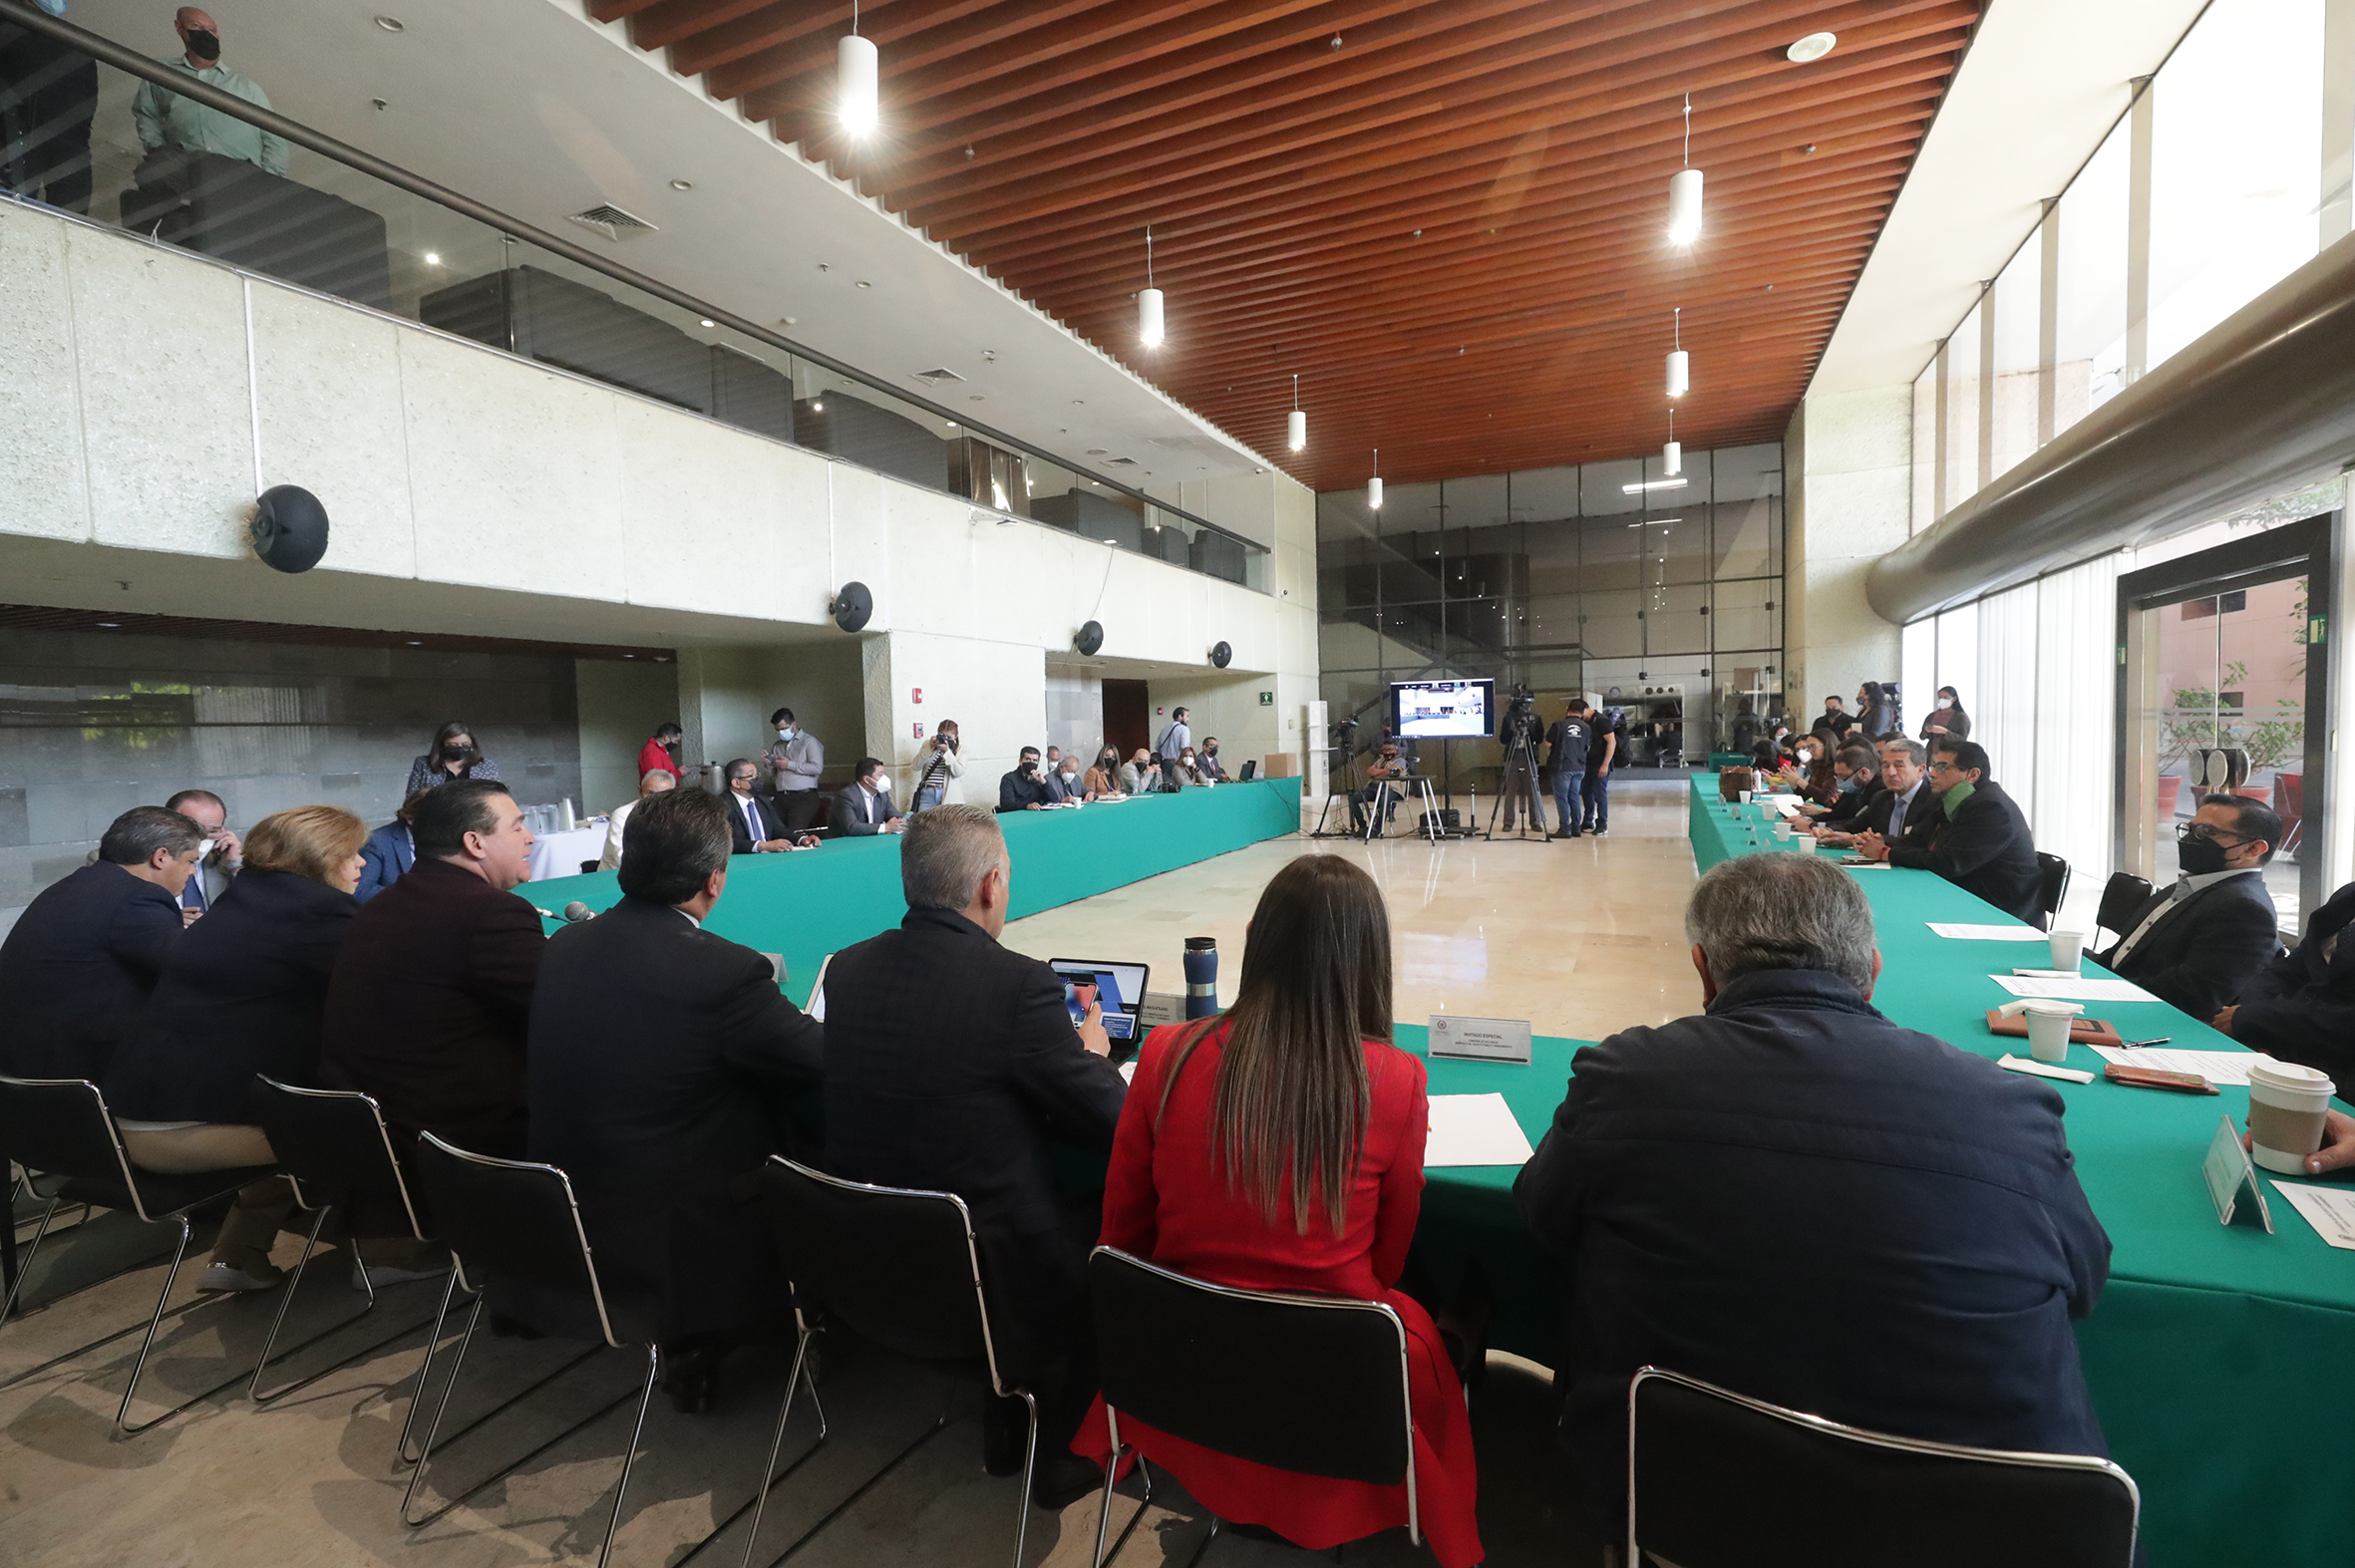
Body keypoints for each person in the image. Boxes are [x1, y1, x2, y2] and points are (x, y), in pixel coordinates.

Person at [1514, 852, 2113, 1532]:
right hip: (1989, 1526)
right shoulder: (2013, 1108)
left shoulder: (1624, 1077)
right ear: (1872, 970)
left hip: (1685, 1501)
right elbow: (2085, 1283)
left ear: (1703, 969)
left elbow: (1544, 1217)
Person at [1075, 856, 1482, 1565]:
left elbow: (1122, 1235)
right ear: (1369, 961)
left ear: (1256, 942)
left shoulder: (1166, 1053)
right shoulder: (1395, 1078)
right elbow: (1387, 1263)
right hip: (1335, 1389)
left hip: (1184, 1375)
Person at [821, 804, 1123, 1510]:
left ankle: (1005, 1410)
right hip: (992, 1278)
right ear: (991, 885)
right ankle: (1068, 1447)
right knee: (1117, 1240)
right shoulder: (1018, 986)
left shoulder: (848, 969)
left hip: (863, 1261)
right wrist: (1092, 1055)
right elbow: (1110, 1115)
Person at [529, 787, 825, 1413]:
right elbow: (817, 1057)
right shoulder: (726, 972)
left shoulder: (563, 948)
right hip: (681, 1218)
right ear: (714, 880)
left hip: (570, 1202)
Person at [105, 805, 366, 1293]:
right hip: (188, 1129)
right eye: (352, 854)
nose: (362, 864)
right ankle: (396, 1254)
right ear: (325, 858)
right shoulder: (319, 910)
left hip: (131, 1114)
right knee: (372, 1123)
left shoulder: (243, 897)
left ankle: (238, 1255)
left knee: (300, 1108)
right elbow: (377, 998)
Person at [321, 780, 542, 1157]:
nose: (530, 838)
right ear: (475, 843)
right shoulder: (491, 912)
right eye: (517, 827)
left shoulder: (380, 905)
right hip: (452, 1145)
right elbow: (562, 1014)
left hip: (368, 1134)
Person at [0, 805, 193, 1080]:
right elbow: (192, 968)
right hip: (72, 1070)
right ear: (161, 857)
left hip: (20, 1062)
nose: (192, 872)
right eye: (190, 861)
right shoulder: (138, 898)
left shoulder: (73, 885)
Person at [2090, 796, 2281, 1021]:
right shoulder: (2186, 886)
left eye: (2207, 832)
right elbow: (2122, 955)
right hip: (2119, 997)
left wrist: (2102, 991)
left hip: (2151, 1018)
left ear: (2253, 849)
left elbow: (2192, 994)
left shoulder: (2245, 910)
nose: (2191, 839)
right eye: (2190, 829)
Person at [1852, 740, 2043, 924]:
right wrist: (1879, 841)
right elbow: (1918, 839)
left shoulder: (1991, 807)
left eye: (1942, 767)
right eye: (1934, 766)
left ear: (1972, 774)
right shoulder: (1953, 798)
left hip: (1999, 911)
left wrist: (1885, 853)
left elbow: (1950, 863)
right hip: (1962, 896)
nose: (1932, 773)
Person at [2216, 879, 2355, 1083]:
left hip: (2337, 1071)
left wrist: (2259, 1018)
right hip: (2281, 1043)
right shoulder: (2348, 896)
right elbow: (2289, 969)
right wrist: (2253, 1026)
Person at [129, 7, 286, 178]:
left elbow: (274, 136)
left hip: (239, 173)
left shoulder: (246, 86)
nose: (206, 33)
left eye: (212, 29)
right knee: (148, 176)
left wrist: (268, 178)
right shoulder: (162, 71)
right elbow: (147, 115)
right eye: (196, 26)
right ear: (179, 28)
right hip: (185, 168)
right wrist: (159, 151)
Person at [1, 1, 98, 214]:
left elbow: (81, 123)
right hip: (18, 145)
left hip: (57, 146)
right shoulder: (9, 23)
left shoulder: (75, 45)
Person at [163, 786, 240, 919]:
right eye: (194, 830)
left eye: (213, 831)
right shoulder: (148, 866)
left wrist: (237, 864)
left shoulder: (223, 862)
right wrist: (169, 921)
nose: (201, 839)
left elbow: (261, 906)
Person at [724, 759, 817, 852]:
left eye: (757, 775)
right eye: (751, 776)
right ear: (736, 783)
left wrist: (801, 839)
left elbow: (779, 830)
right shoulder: (722, 805)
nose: (757, 780)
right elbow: (724, 841)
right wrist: (762, 846)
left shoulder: (762, 801)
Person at [600, 769, 678, 870]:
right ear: (640, 791)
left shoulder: (677, 816)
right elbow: (620, 857)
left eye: (663, 795)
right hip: (616, 875)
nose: (656, 799)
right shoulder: (622, 815)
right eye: (650, 793)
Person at [763, 708, 827, 831]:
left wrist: (789, 765)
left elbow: (817, 768)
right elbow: (773, 775)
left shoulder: (809, 742)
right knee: (773, 829)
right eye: (778, 730)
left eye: (784, 729)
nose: (781, 732)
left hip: (803, 796)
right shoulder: (777, 745)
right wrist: (770, 764)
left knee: (795, 831)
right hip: (781, 796)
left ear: (793, 724)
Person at [355, 791, 423, 903]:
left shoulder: (448, 839)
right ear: (410, 818)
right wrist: (412, 897)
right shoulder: (378, 841)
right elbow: (362, 890)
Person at [405, 721, 500, 796]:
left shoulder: (486, 765)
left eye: (465, 744)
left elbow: (497, 795)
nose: (460, 748)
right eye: (453, 745)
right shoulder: (423, 763)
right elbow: (412, 796)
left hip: (474, 813)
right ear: (442, 745)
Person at [1800, 745, 1880, 831]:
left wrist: (1814, 825)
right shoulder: (1855, 787)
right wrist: (1809, 820)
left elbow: (1858, 823)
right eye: (1837, 775)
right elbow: (1837, 813)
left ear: (1863, 772)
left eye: (1842, 776)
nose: (1839, 780)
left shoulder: (1879, 790)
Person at [1545, 699, 1594, 839]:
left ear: (1568, 709)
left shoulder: (1559, 725)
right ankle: (1576, 828)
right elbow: (1588, 746)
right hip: (1579, 767)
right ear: (1582, 711)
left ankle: (1565, 828)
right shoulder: (1587, 727)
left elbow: (1548, 743)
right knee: (1574, 797)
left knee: (1562, 798)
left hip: (1562, 766)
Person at [835, 756, 907, 834]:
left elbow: (894, 816)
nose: (884, 778)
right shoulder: (846, 796)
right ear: (867, 779)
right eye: (880, 775)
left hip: (873, 840)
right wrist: (886, 827)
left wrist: (902, 822)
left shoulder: (882, 794)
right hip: (846, 840)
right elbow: (851, 827)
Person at [1354, 740, 1412, 834]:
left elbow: (1393, 772)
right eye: (1385, 750)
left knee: (1384, 800)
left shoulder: (1400, 761)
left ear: (1396, 749)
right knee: (1353, 798)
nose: (1387, 752)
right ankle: (1362, 826)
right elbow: (1370, 771)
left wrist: (1378, 772)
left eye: (1390, 749)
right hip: (1375, 787)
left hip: (1392, 788)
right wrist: (1386, 771)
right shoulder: (1380, 760)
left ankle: (1377, 829)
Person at [1581, 706, 1620, 836]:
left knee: (1599, 794)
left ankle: (1602, 824)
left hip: (1600, 764)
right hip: (1588, 763)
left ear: (1585, 709)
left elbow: (1612, 742)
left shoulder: (1601, 720)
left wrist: (1605, 764)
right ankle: (1587, 821)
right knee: (1586, 793)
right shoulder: (1586, 722)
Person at [912, 721, 964, 810]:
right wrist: (930, 748)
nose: (945, 740)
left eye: (949, 737)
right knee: (924, 819)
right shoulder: (928, 745)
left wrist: (947, 752)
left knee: (946, 819)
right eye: (942, 736)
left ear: (955, 737)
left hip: (947, 794)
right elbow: (915, 766)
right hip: (928, 793)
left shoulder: (961, 749)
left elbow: (958, 772)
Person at [999, 746, 1050, 812]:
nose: (1031, 762)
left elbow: (1054, 801)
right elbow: (1007, 804)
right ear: (1020, 761)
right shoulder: (1009, 779)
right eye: (1028, 759)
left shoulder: (1038, 779)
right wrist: (1027, 806)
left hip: (1038, 814)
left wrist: (1043, 783)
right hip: (1017, 816)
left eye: (1034, 760)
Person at [636, 722, 683, 786]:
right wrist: (679, 773)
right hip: (660, 791)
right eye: (676, 741)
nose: (676, 744)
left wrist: (676, 770)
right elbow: (657, 778)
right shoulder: (653, 752)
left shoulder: (660, 750)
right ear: (666, 738)